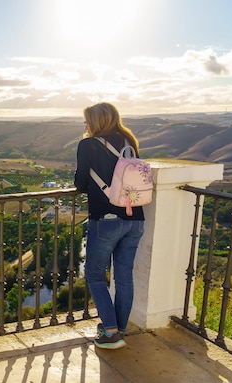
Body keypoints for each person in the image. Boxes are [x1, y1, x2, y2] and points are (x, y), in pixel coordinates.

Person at [74, 102, 145, 350]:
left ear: (96, 122)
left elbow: (81, 182)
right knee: (124, 276)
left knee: (94, 275)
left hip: (106, 219)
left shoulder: (88, 145)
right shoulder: (129, 143)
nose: (85, 126)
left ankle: (111, 332)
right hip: (135, 219)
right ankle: (120, 328)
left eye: (87, 121)